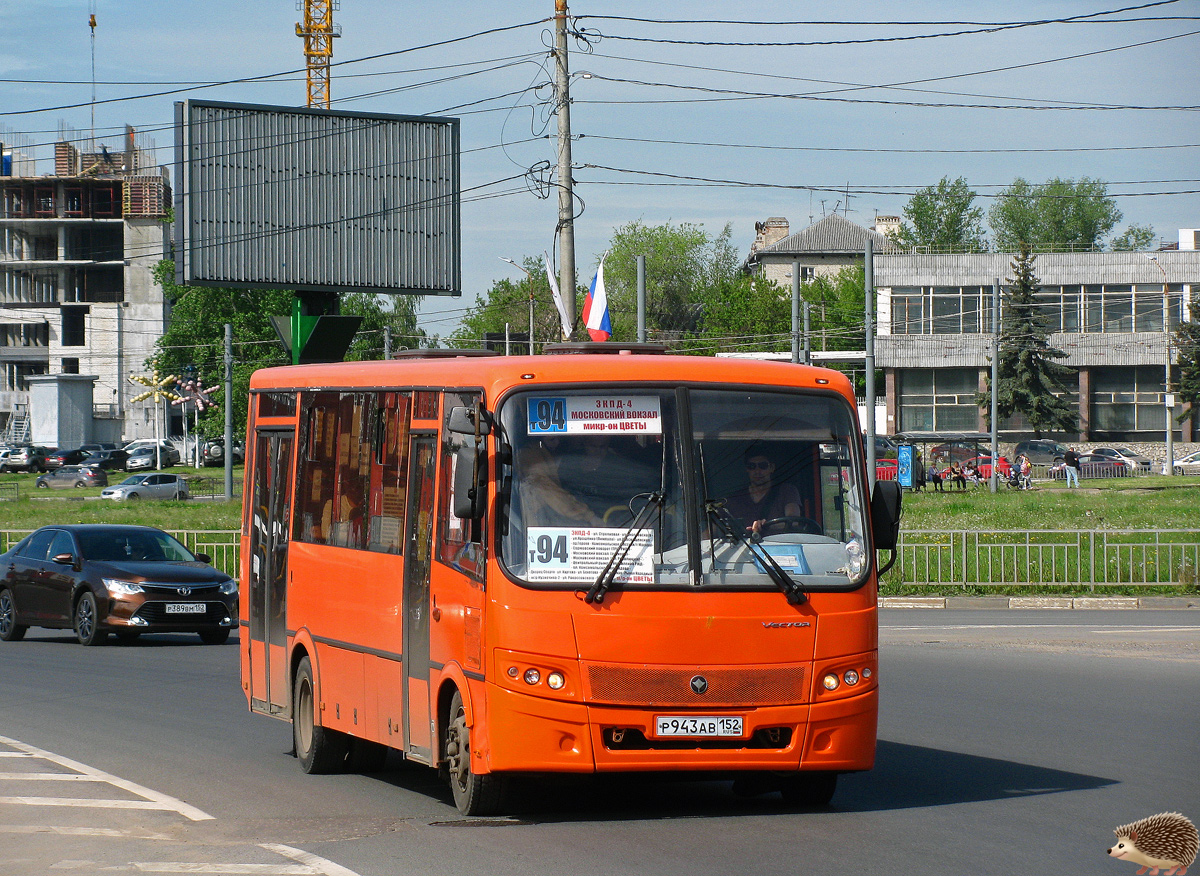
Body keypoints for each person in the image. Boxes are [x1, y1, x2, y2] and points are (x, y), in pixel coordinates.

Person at [724, 448, 804, 534]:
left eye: (763, 466)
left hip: (778, 545)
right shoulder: (734, 499)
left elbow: (793, 521)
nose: (757, 471)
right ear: (747, 469)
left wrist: (765, 526)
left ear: (772, 468)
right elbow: (711, 530)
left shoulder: (787, 491)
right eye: (752, 466)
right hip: (744, 547)